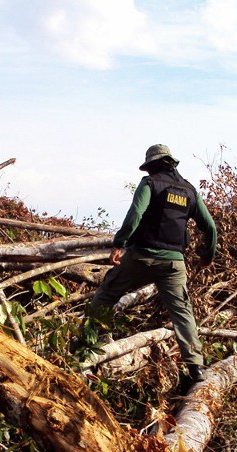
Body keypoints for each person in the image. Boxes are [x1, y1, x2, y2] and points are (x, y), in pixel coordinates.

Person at [87, 144, 217, 383]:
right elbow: (210, 227)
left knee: (107, 292)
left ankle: (88, 343)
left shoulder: (149, 184)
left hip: (141, 256)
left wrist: (120, 243)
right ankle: (195, 366)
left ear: (152, 166)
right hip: (174, 263)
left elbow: (136, 214)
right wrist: (207, 256)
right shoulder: (189, 190)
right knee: (182, 312)